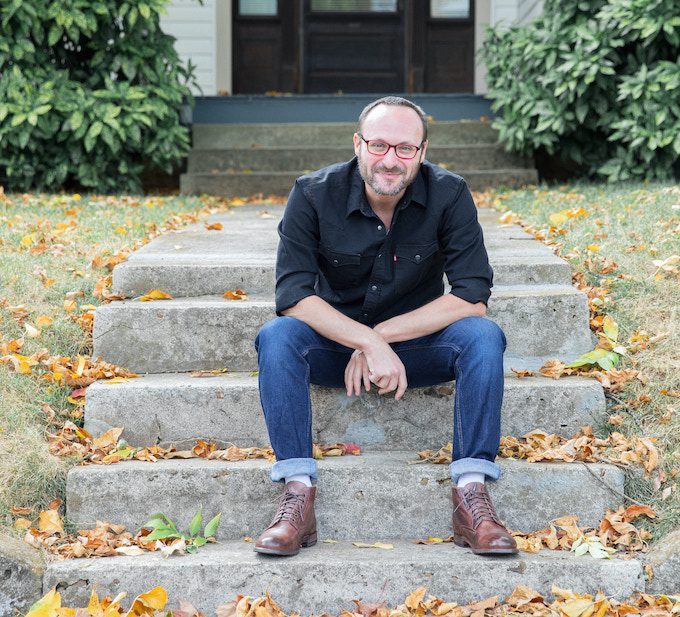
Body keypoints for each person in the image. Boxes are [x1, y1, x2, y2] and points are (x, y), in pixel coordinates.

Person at [253, 96, 517, 557]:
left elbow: (472, 296)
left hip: (417, 350)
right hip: (334, 349)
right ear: (358, 144)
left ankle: (471, 494)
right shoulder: (313, 194)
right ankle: (297, 494)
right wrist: (361, 340)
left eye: (405, 148)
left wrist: (381, 338)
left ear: (422, 151)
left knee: (484, 337)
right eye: (378, 145)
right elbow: (292, 296)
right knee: (277, 338)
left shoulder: (450, 194)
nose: (390, 160)